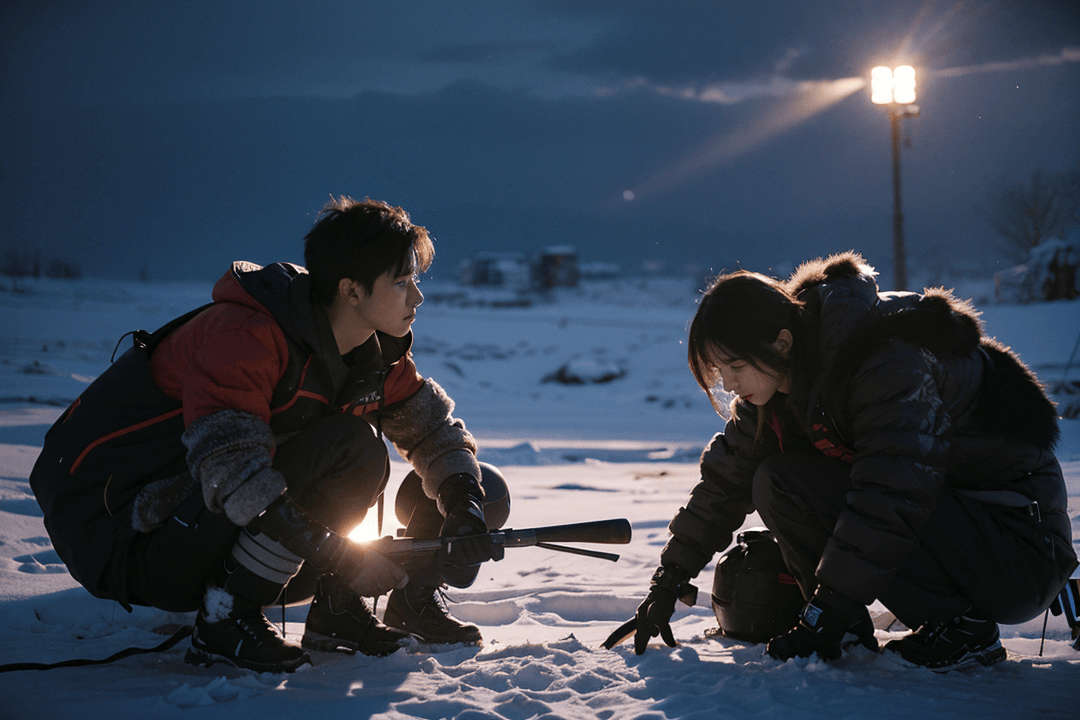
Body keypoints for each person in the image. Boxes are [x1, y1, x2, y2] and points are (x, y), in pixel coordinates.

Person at [30, 196, 505, 673]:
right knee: (352, 447)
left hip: (216, 528)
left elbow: (434, 431)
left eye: (415, 281)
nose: (417, 298)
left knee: (474, 481)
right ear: (352, 291)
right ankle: (225, 620)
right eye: (402, 283)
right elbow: (233, 473)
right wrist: (339, 555)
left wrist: (463, 507)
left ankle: (341, 611)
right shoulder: (247, 334)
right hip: (130, 536)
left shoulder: (373, 353)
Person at [629, 251, 1076, 672]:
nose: (728, 384)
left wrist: (830, 608)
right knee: (776, 480)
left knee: (830, 487)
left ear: (781, 342)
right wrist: (668, 581)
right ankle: (840, 633)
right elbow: (725, 482)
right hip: (955, 525)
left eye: (735, 366)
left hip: (1016, 547)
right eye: (718, 371)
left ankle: (963, 629)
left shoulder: (883, 359)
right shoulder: (778, 386)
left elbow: (891, 494)